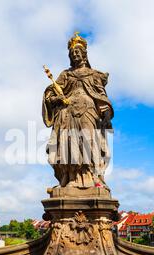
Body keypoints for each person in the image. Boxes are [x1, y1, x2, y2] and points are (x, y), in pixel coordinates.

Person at [42, 33, 113, 188]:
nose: (75, 54)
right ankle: (72, 179)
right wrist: (57, 99)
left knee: (89, 142)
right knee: (69, 145)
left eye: (78, 52)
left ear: (84, 54)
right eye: (72, 53)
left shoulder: (94, 75)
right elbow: (51, 94)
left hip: (88, 111)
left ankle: (91, 178)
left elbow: (101, 96)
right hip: (67, 113)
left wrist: (106, 114)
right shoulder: (66, 75)